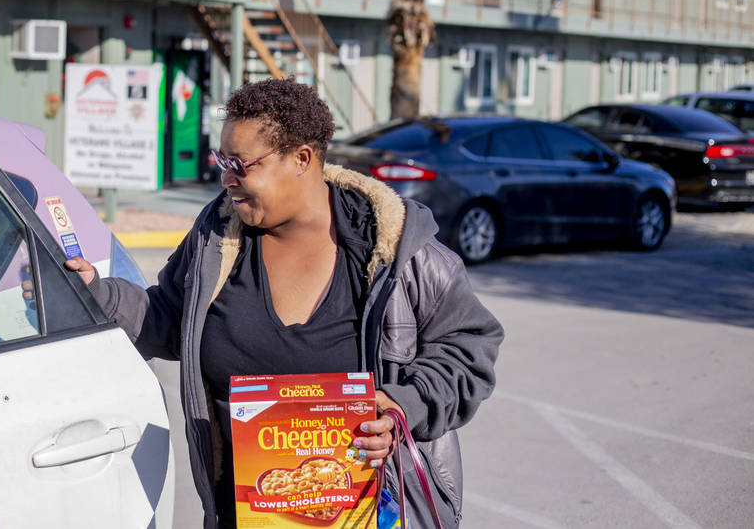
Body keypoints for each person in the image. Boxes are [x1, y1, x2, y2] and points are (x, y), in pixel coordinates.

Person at [65, 78, 503, 529]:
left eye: (240, 164)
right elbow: (169, 319)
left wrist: (402, 405)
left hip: (377, 513)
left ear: (301, 159)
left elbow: (470, 349)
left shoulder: (397, 250)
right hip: (247, 515)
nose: (226, 178)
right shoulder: (216, 239)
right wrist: (98, 292)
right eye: (221, 161)